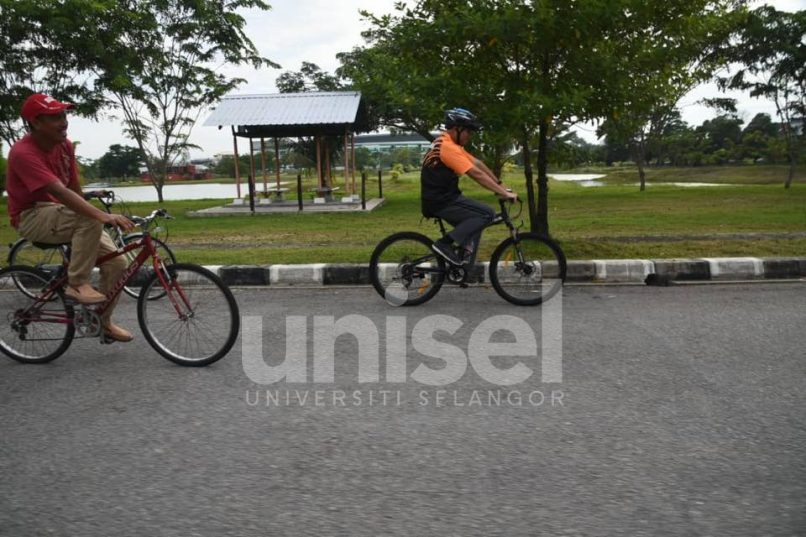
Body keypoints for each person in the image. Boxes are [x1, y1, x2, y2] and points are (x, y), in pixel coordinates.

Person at [5, 93, 136, 342]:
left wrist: (93, 213)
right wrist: (102, 217)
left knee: (117, 263)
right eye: (55, 117)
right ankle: (77, 283)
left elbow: (73, 188)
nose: (64, 122)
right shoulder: (22, 152)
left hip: (59, 212)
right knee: (89, 218)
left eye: (64, 115)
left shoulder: (64, 146)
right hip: (31, 214)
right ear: (35, 122)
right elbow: (59, 192)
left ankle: (103, 322)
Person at [421, 107, 517, 265]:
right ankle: (444, 244)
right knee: (486, 214)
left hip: (443, 198)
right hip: (442, 201)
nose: (470, 136)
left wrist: (501, 185)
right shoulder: (448, 147)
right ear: (457, 129)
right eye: (468, 131)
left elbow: (478, 164)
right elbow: (475, 174)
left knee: (474, 226)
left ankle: (464, 269)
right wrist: (504, 193)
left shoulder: (448, 143)